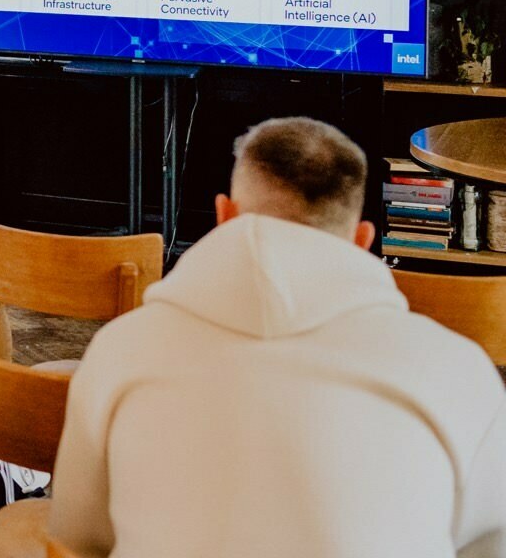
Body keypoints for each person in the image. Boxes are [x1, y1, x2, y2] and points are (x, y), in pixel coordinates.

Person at [49, 117, 506, 558]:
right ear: (362, 240)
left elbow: (78, 537)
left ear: (224, 215)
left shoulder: (121, 348)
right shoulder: (459, 372)